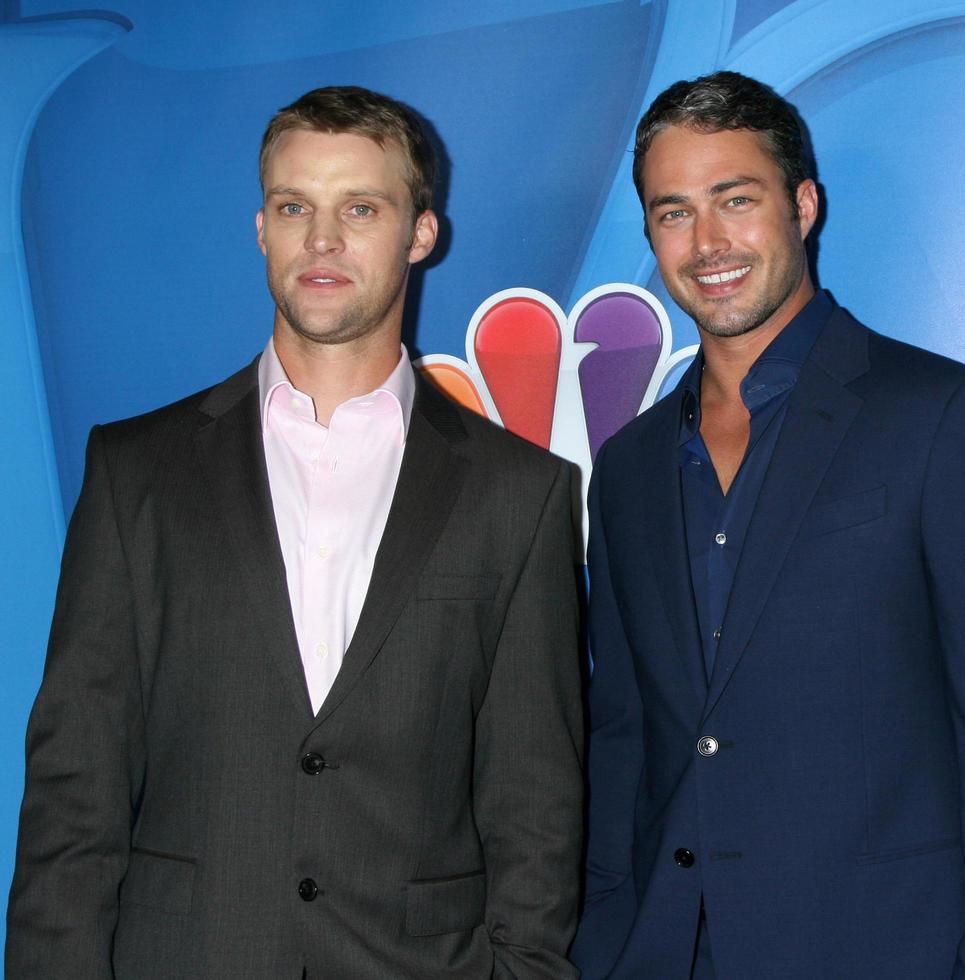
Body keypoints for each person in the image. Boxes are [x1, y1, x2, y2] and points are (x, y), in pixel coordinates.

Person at [7, 85, 583, 979]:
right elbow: (75, 791)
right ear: (262, 229)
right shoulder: (138, 472)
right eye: (294, 207)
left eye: (360, 207)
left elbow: (534, 804)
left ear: (419, 233)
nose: (323, 239)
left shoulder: (521, 494)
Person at [571, 71, 965, 979]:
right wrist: (602, 935)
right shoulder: (629, 466)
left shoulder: (947, 419)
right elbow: (625, 733)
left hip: (880, 949)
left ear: (802, 205)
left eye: (736, 199)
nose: (708, 241)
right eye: (673, 211)